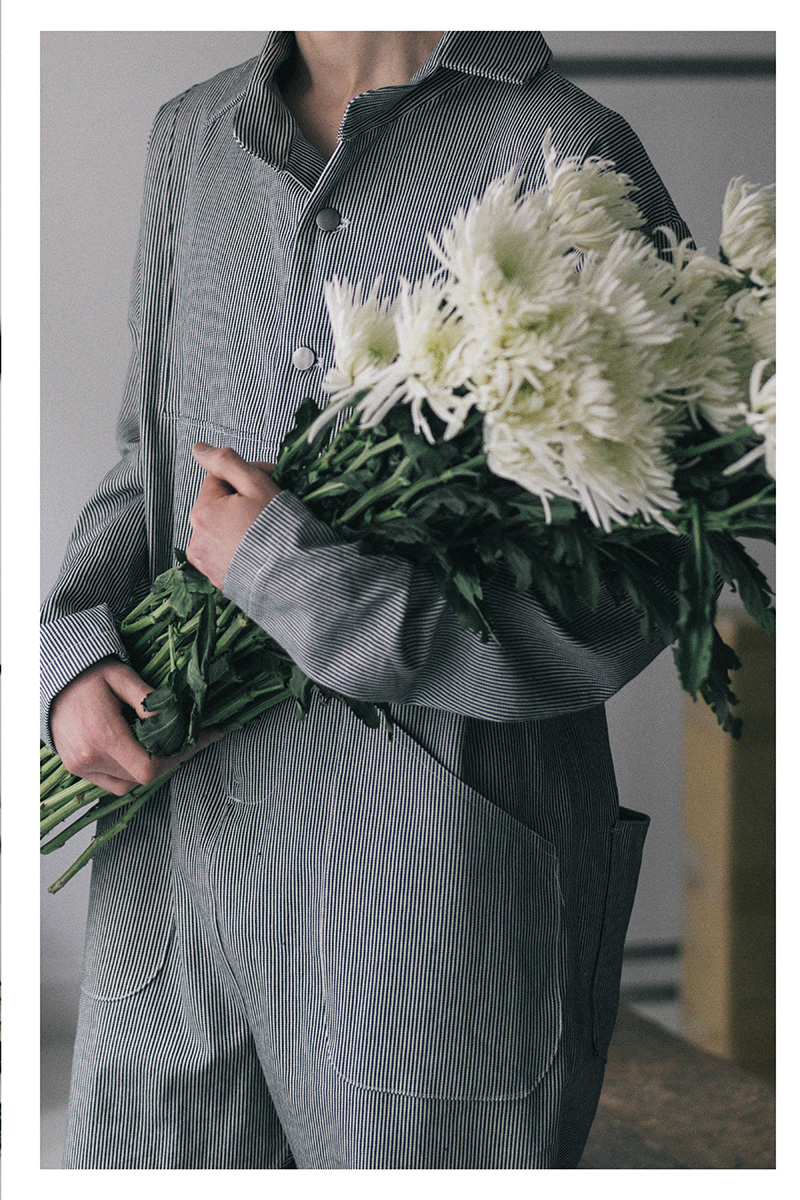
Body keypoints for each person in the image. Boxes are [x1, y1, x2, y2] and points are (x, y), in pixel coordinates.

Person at [42, 31, 691, 1170]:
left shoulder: (564, 147)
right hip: (179, 870)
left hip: (429, 888)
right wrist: (74, 653)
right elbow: (149, 448)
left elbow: (641, 578)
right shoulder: (192, 136)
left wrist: (297, 579)